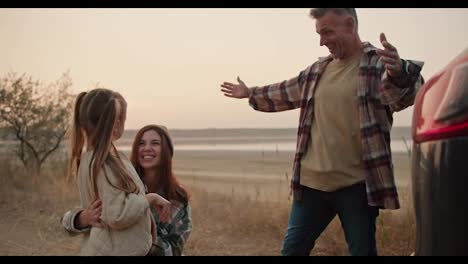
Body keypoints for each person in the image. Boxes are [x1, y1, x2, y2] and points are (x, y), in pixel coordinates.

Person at [220, 8, 424, 256]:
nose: (321, 41)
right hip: (311, 185)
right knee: (292, 251)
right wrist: (250, 93)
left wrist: (400, 73)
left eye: (327, 32)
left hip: (356, 187)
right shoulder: (318, 71)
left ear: (350, 25)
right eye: (319, 33)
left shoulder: (376, 65)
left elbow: (404, 94)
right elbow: (285, 91)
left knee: (363, 252)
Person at [65, 88, 171, 256]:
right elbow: (117, 215)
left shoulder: (94, 160)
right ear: (115, 125)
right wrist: (149, 199)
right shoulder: (104, 164)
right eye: (123, 119)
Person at [63, 124, 192, 256]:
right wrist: (81, 218)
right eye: (141, 143)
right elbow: (67, 222)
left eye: (155, 143)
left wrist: (142, 240)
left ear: (167, 151)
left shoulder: (177, 196)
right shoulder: (119, 182)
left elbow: (176, 248)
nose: (147, 148)